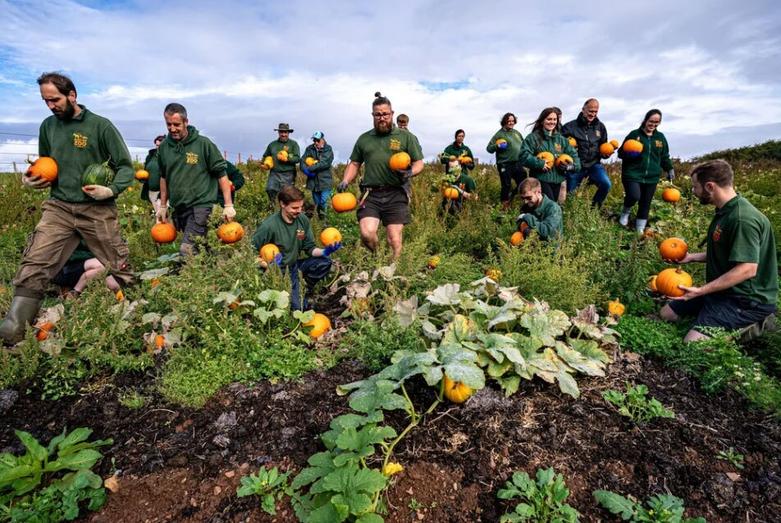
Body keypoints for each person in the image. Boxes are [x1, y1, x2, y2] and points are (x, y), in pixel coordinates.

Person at [1, 72, 135, 345]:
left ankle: (133, 310)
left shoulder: (100, 126)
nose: (51, 105)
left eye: (55, 100)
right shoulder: (48, 127)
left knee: (117, 262)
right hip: (59, 207)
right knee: (36, 260)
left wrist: (110, 190)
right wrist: (30, 179)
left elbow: (125, 167)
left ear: (72, 95)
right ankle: (13, 330)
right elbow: (46, 164)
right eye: (46, 101)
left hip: (96, 208)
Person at [660, 160, 777, 342]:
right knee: (667, 314)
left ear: (710, 187)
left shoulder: (742, 219)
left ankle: (759, 323)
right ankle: (711, 314)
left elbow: (747, 268)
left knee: (692, 344)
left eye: (695, 187)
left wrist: (701, 290)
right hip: (722, 292)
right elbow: (729, 253)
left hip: (746, 300)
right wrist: (691, 258)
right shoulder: (726, 210)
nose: (693, 191)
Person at [338, 92, 424, 259]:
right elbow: (355, 163)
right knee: (367, 234)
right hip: (371, 193)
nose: (382, 118)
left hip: (396, 192)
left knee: (394, 239)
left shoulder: (405, 137)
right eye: (378, 115)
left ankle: (394, 269)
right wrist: (345, 180)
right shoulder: (364, 139)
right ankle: (379, 258)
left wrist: (410, 172)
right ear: (373, 115)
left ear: (392, 114)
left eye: (385, 114)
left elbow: (419, 162)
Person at [156, 103, 235, 256]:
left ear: (186, 122)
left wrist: (228, 205)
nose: (172, 128)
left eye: (176, 124)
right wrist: (163, 206)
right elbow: (163, 177)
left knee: (187, 250)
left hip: (201, 207)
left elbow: (221, 174)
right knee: (203, 250)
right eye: (168, 124)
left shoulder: (203, 144)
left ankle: (190, 272)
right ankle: (216, 267)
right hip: (180, 208)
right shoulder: (165, 147)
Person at [251, 186, 342, 310]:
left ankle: (304, 288)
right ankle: (295, 294)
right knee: (298, 308)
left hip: (294, 267)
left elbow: (309, 248)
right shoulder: (269, 226)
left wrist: (325, 251)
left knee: (324, 262)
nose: (299, 211)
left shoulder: (302, 221)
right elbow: (250, 253)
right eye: (294, 208)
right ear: (282, 204)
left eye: (301, 207)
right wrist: (267, 265)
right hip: (278, 271)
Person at [617, 109, 674, 233]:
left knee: (645, 203)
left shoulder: (660, 138)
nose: (653, 124)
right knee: (634, 196)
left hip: (652, 176)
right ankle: (625, 212)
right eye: (651, 121)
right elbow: (620, 153)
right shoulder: (634, 134)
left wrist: (669, 168)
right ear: (645, 120)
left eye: (656, 122)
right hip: (632, 174)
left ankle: (639, 230)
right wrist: (629, 154)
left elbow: (664, 156)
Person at [520, 107, 581, 202]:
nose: (552, 122)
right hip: (540, 180)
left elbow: (576, 159)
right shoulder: (533, 138)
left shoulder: (562, 140)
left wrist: (570, 167)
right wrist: (539, 163)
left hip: (557, 180)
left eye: (554, 119)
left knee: (550, 206)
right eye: (549, 119)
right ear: (542, 121)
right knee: (548, 205)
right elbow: (523, 156)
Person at [562, 98, 612, 207]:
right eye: (590, 111)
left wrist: (605, 155)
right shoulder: (569, 127)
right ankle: (570, 213)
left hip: (594, 165)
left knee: (606, 184)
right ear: (583, 109)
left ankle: (594, 209)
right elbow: (560, 147)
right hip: (576, 166)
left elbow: (604, 147)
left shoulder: (600, 127)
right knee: (571, 196)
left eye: (595, 111)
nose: (593, 114)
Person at [52, 241, 121, 298]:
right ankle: (74, 294)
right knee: (101, 265)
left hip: (86, 267)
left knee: (114, 285)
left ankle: (122, 303)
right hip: (65, 269)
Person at [486, 113, 524, 210]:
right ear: (504, 122)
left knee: (523, 182)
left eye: (512, 121)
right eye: (509, 121)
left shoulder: (517, 133)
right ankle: (504, 207)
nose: (511, 123)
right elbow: (489, 148)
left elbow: (524, 145)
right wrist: (498, 146)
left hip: (517, 163)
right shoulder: (499, 134)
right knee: (506, 185)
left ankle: (512, 197)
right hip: (505, 164)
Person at [262, 123, 300, 206]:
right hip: (274, 173)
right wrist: (265, 163)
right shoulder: (272, 145)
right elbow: (265, 156)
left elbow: (297, 158)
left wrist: (287, 159)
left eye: (285, 132)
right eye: (281, 132)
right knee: (270, 189)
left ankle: (285, 208)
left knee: (287, 194)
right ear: (278, 132)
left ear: (288, 133)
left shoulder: (293, 144)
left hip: (288, 173)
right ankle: (273, 206)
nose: (283, 134)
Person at [300, 131, 335, 222]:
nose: (316, 142)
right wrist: (304, 170)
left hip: (325, 180)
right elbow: (302, 160)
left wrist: (310, 168)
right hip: (313, 181)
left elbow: (324, 163)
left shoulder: (328, 149)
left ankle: (325, 220)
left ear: (322, 139)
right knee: (317, 203)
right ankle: (321, 220)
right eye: (314, 140)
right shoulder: (309, 149)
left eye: (318, 140)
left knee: (324, 201)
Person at [140, 134, 164, 213]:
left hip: (164, 192)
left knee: (163, 215)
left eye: (160, 145)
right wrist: (142, 178)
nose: (158, 147)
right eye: (157, 145)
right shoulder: (150, 157)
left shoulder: (168, 157)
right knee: (157, 215)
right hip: (152, 192)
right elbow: (145, 172)